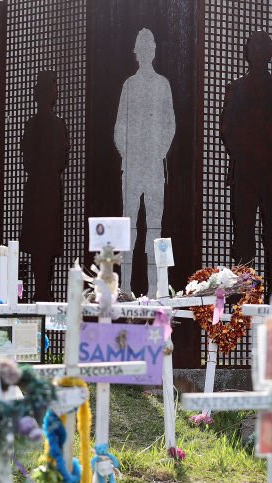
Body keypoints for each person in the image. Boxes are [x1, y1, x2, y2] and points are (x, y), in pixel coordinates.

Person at [220, 31, 272, 292]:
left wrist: (270, 153)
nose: (258, 52)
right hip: (245, 171)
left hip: (271, 172)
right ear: (247, 52)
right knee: (243, 232)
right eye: (253, 46)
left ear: (270, 53)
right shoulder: (236, 88)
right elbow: (227, 129)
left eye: (263, 47)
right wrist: (247, 152)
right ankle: (244, 290)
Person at [114, 29, 176, 297]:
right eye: (141, 47)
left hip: (153, 166)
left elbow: (169, 124)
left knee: (155, 226)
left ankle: (156, 286)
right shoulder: (129, 85)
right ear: (136, 52)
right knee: (129, 225)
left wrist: (157, 152)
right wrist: (129, 154)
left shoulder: (163, 85)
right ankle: (125, 285)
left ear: (154, 50)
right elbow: (120, 125)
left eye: (149, 47)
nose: (145, 52)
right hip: (132, 166)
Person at [21, 70, 70, 302]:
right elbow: (61, 159)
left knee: (42, 242)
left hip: (41, 188)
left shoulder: (33, 125)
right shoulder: (54, 124)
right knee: (44, 241)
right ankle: (42, 287)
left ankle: (41, 287)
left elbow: (29, 158)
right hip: (47, 189)